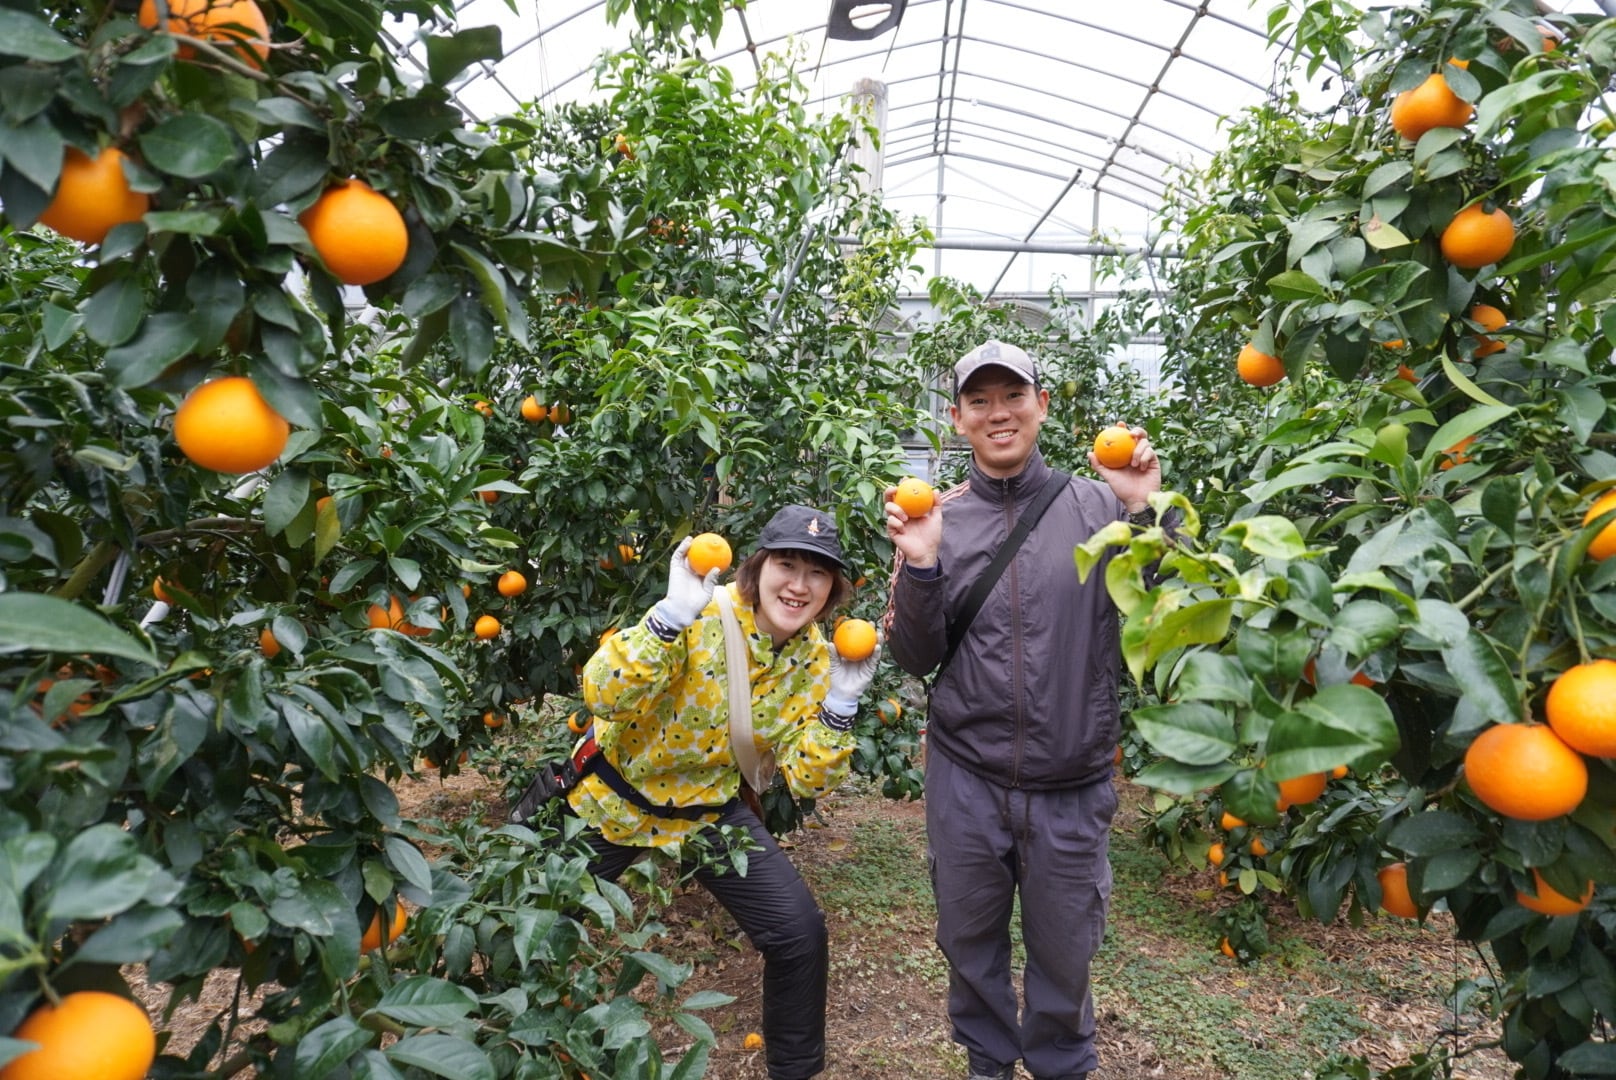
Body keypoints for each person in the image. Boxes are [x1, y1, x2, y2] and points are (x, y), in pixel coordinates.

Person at [881, 339, 1166, 1080]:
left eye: (1013, 396)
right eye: (979, 401)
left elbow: (1168, 610)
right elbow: (912, 655)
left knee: (1066, 950)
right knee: (968, 939)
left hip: (1071, 779)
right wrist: (921, 564)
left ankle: (1062, 1063)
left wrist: (1148, 509)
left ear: (1042, 405)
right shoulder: (936, 519)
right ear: (957, 419)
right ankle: (988, 1062)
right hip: (966, 778)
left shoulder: (1101, 508)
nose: (998, 413)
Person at [569, 504, 879, 1080]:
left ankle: (794, 1071)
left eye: (817, 573)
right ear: (758, 567)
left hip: (706, 811)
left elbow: (807, 780)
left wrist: (839, 705)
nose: (799, 585)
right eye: (787, 566)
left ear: (832, 590)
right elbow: (601, 696)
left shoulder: (815, 658)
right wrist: (667, 619)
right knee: (532, 922)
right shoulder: (701, 614)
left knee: (799, 934)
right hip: (613, 799)